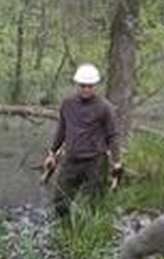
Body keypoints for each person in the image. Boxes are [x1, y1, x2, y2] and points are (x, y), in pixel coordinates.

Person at [43, 63, 122, 219]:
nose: (86, 89)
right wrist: (52, 153)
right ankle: (64, 234)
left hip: (96, 161)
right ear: (77, 85)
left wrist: (117, 161)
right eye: (82, 85)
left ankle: (95, 236)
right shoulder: (67, 104)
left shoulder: (105, 107)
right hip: (71, 159)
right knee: (61, 202)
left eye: (90, 86)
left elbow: (113, 136)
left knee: (95, 205)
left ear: (95, 86)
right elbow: (61, 130)